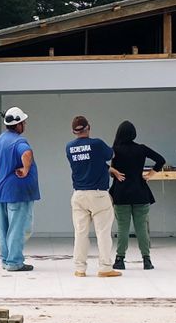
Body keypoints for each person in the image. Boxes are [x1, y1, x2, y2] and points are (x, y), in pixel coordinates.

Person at [65, 116, 123, 277]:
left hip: (78, 195)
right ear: (88, 127)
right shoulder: (96, 144)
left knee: (80, 233)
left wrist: (106, 168)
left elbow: (87, 163)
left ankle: (80, 269)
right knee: (103, 233)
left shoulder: (69, 147)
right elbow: (110, 154)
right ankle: (105, 268)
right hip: (98, 194)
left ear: (73, 131)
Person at [109, 120, 167, 270]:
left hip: (121, 193)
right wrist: (150, 174)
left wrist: (114, 172)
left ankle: (120, 259)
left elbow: (103, 164)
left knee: (123, 228)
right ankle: (146, 260)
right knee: (141, 227)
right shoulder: (141, 149)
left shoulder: (115, 150)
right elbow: (161, 160)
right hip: (140, 192)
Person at [0, 106, 39, 271]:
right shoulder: (19, 141)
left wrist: (0, 177)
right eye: (23, 122)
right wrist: (25, 170)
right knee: (18, 228)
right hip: (17, 193)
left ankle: (5, 260)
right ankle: (15, 262)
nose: (25, 125)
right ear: (18, 125)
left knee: (4, 229)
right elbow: (26, 154)